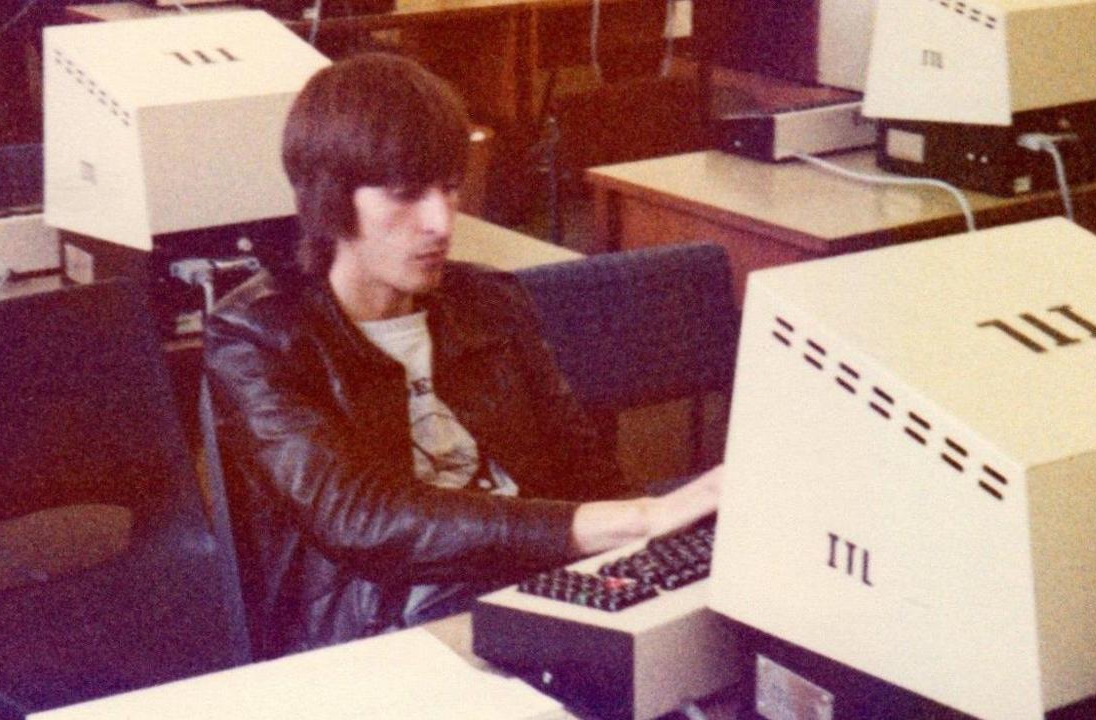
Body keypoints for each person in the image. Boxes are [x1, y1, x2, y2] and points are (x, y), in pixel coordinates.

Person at [203, 52, 721, 659]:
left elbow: (585, 469)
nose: (440, 221)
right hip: (382, 625)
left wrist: (660, 557)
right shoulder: (257, 335)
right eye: (406, 195)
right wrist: (637, 520)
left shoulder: (487, 300)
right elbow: (361, 520)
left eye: (449, 188)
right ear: (330, 199)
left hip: (532, 585)